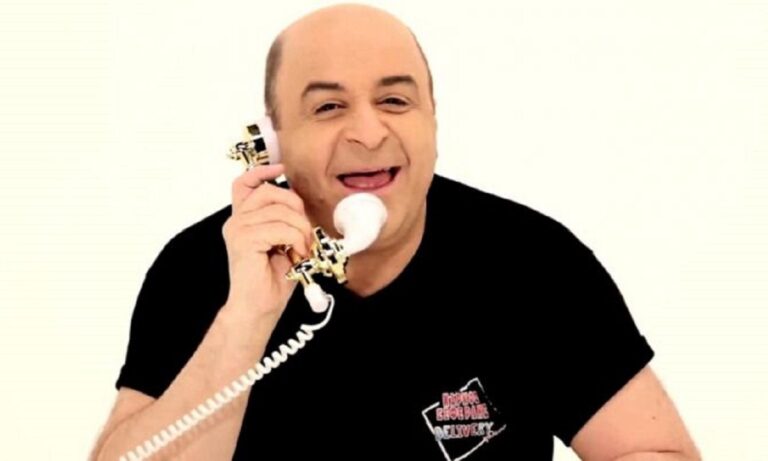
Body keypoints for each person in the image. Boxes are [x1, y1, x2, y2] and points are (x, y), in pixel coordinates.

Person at [90, 4, 701, 460]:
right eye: (328, 107)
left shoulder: (535, 261)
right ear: (273, 141)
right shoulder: (198, 267)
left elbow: (653, 450)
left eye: (395, 101)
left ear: (433, 121)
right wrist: (247, 317)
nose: (368, 133)